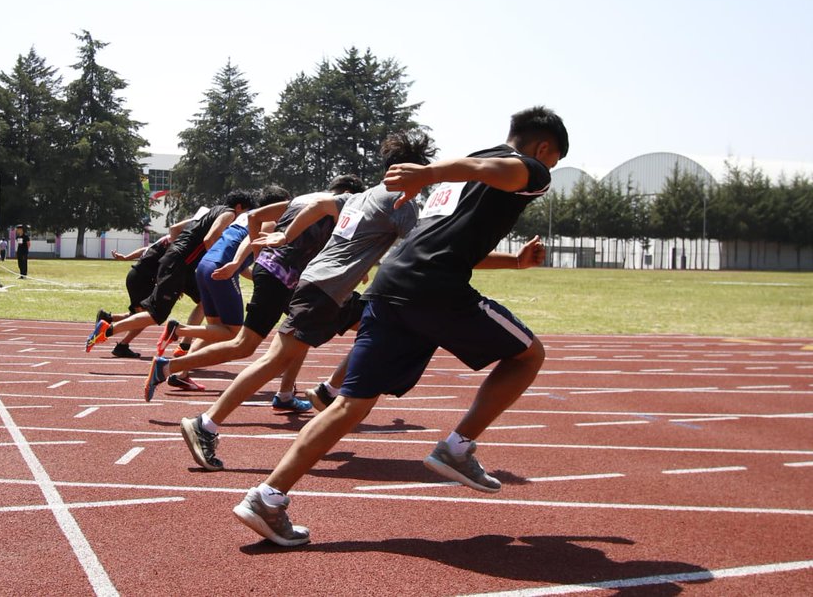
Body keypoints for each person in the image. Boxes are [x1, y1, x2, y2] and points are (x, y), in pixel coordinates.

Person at [232, 106, 568, 547]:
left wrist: (516, 261)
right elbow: (499, 168)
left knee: (350, 404)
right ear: (544, 148)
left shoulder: (464, 178)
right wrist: (427, 173)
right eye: (554, 161)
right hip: (433, 289)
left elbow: (438, 244)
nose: (547, 174)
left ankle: (267, 497)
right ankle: (458, 447)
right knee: (528, 355)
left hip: (393, 284)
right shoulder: (520, 169)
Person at [179, 130, 436, 471]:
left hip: (323, 287)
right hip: (324, 291)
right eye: (426, 174)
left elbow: (317, 204)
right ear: (412, 172)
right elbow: (421, 248)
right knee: (273, 360)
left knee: (374, 326)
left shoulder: (363, 196)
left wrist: (287, 234)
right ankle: (206, 424)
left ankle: (328, 391)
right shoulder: (403, 203)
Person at [145, 174, 365, 408]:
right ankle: (169, 368)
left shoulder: (303, 199)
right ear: (349, 193)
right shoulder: (340, 205)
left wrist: (261, 259)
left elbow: (255, 216)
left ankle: (285, 394)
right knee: (244, 344)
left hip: (278, 275)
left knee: (299, 334)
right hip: (284, 278)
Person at [85, 190, 259, 355]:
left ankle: (185, 345)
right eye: (247, 212)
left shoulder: (209, 211)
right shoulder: (229, 214)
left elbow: (176, 229)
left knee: (203, 301)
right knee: (156, 315)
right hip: (180, 264)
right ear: (239, 207)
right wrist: (203, 259)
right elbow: (209, 239)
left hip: (183, 265)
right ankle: (107, 329)